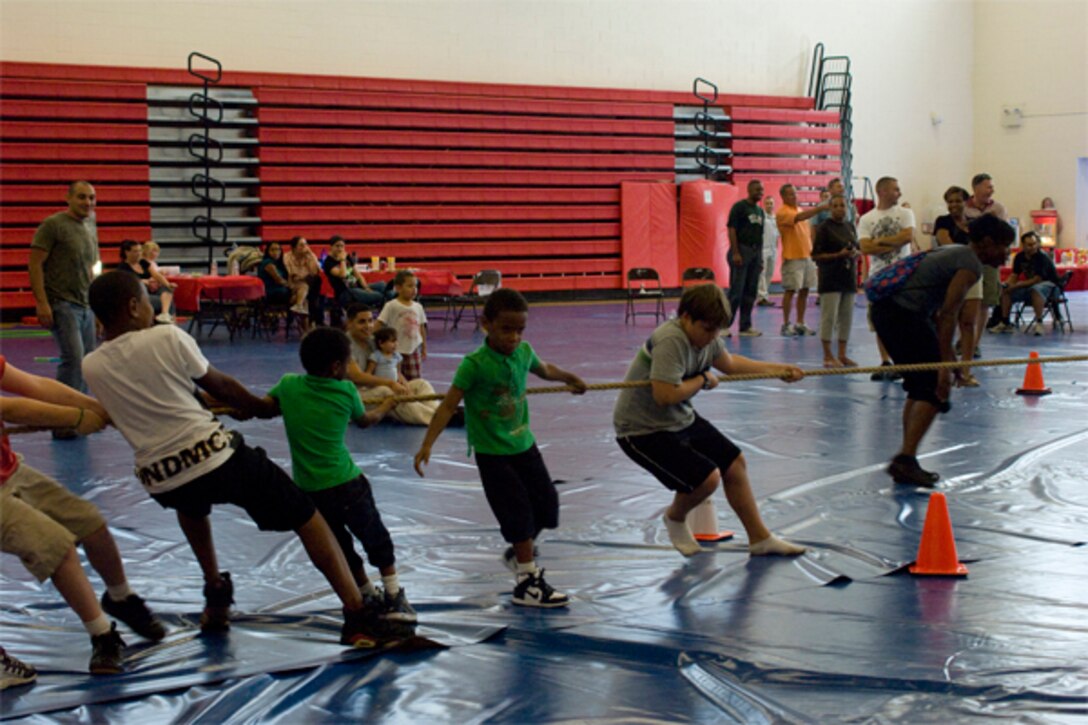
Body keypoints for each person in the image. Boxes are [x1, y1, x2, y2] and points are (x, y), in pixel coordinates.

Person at [82, 271, 378, 647]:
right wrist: (258, 408)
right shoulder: (166, 336)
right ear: (133, 306)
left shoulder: (92, 365)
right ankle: (357, 615)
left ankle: (216, 595)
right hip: (216, 459)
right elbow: (217, 384)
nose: (152, 308)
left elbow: (170, 397)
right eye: (147, 299)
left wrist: (216, 407)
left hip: (162, 478)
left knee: (190, 503)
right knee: (308, 516)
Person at [414, 288, 587, 608]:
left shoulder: (523, 352)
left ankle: (518, 554)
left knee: (547, 505)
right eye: (507, 329)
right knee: (517, 513)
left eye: (520, 330)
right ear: (486, 325)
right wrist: (427, 444)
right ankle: (527, 582)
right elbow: (448, 405)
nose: (514, 337)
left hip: (524, 444)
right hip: (493, 453)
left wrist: (568, 377)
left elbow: (544, 368)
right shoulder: (475, 364)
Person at [612, 284, 807, 558]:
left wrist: (777, 370)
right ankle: (675, 518)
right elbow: (665, 395)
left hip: (679, 418)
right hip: (642, 429)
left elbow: (729, 363)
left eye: (717, 330)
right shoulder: (672, 340)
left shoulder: (709, 334)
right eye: (706, 329)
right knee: (707, 478)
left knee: (735, 463)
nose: (712, 336)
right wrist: (702, 379)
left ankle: (760, 538)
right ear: (686, 317)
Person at [1, 356, 165, 676]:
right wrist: (75, 418)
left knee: (89, 523)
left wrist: (98, 408)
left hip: (9, 470)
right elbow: (8, 409)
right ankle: (103, 636)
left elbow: (34, 385)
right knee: (57, 547)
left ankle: (120, 597)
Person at [263, 328, 416, 629]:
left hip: (311, 492)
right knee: (375, 537)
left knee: (340, 547)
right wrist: (388, 404)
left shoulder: (288, 385)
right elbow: (365, 421)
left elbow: (263, 406)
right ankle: (394, 592)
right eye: (347, 363)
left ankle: (366, 593)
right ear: (336, 367)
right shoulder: (346, 392)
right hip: (348, 485)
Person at [868, 215, 1014, 486]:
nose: (1007, 254)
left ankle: (906, 457)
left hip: (891, 312)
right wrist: (945, 366)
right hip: (901, 314)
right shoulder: (969, 264)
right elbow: (948, 314)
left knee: (920, 385)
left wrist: (949, 358)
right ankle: (906, 459)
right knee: (934, 389)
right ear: (988, 243)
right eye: (1004, 246)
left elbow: (937, 316)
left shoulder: (954, 252)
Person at [28, 181, 101, 437]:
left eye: (92, 198)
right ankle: (63, 421)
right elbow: (35, 264)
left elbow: (94, 267)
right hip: (61, 303)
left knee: (88, 360)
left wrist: (98, 304)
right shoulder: (53, 225)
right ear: (68, 198)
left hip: (85, 304)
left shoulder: (91, 225)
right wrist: (41, 301)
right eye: (82, 197)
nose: (88, 203)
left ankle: (80, 414)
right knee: (73, 359)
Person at [344, 304, 447, 427]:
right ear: (349, 323)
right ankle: (438, 419)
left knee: (420, 384)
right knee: (387, 392)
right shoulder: (344, 345)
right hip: (358, 394)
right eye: (362, 322)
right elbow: (357, 377)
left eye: (370, 321)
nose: (368, 326)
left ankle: (442, 413)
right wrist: (391, 383)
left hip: (376, 388)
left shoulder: (372, 341)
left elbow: (391, 364)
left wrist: (401, 382)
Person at [858, 177, 915, 381]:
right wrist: (893, 243)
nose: (899, 193)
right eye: (895, 189)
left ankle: (904, 361)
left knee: (905, 319)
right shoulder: (866, 219)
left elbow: (907, 237)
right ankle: (885, 361)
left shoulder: (905, 213)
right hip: (879, 276)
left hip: (903, 275)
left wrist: (880, 241)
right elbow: (865, 247)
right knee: (880, 320)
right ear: (882, 192)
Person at [934, 186, 982, 385]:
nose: (954, 205)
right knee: (947, 322)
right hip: (950, 277)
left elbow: (980, 248)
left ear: (966, 202)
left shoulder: (975, 224)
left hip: (972, 275)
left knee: (968, 323)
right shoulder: (942, 222)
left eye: (957, 201)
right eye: (950, 201)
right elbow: (947, 245)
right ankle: (949, 368)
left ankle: (966, 369)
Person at [811, 195, 859, 368]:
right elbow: (815, 255)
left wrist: (854, 253)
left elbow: (857, 247)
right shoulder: (824, 228)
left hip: (848, 277)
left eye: (842, 206)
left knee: (846, 317)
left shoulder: (850, 226)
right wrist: (838, 255)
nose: (840, 208)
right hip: (830, 278)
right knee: (829, 317)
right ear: (830, 208)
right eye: (836, 206)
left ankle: (842, 354)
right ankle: (827, 355)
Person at [776, 184, 829, 336]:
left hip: (807, 256)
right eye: (790, 194)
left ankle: (800, 322)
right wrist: (820, 208)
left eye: (795, 193)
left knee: (805, 290)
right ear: (783, 197)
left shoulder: (799, 209)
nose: (795, 196)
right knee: (790, 290)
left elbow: (806, 231)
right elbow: (799, 218)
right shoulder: (783, 212)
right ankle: (786, 324)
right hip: (793, 257)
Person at [964, 174, 1009, 332]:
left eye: (992, 187)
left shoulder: (998, 208)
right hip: (968, 259)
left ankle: (976, 341)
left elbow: (1004, 235)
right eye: (988, 186)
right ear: (976, 188)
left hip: (989, 261)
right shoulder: (965, 208)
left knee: (985, 300)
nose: (991, 190)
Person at [992, 231, 1060, 335]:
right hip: (1030, 285)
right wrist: (1007, 284)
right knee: (1006, 291)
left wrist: (1018, 285)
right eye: (1029, 245)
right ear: (1023, 245)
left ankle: (1039, 322)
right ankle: (1005, 322)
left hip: (1049, 286)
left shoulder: (1042, 257)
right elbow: (1014, 275)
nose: (1032, 247)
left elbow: (1037, 279)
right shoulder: (1019, 257)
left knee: (1036, 289)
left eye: (1034, 244)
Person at [725, 180, 766, 336]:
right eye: (757, 189)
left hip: (755, 252)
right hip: (742, 250)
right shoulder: (740, 207)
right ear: (749, 190)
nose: (760, 192)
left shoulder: (760, 211)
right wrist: (735, 252)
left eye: (762, 190)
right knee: (736, 290)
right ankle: (724, 325)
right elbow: (732, 229)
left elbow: (760, 235)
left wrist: (760, 258)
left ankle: (745, 326)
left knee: (751, 291)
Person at [375, 270, 428, 379]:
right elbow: (379, 322)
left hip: (413, 349)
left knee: (415, 379)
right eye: (410, 286)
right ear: (398, 288)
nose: (414, 289)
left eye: (415, 286)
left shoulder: (418, 307)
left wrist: (424, 347)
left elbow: (421, 327)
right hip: (396, 350)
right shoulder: (391, 305)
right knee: (395, 378)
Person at [323, 236, 386, 309]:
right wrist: (342, 260)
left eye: (342, 246)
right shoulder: (328, 262)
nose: (340, 249)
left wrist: (366, 287)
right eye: (337, 246)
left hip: (356, 286)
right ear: (331, 247)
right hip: (346, 292)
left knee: (383, 285)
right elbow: (343, 275)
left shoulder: (347, 257)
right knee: (379, 296)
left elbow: (358, 275)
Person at [118, 240, 175, 323]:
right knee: (165, 302)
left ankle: (165, 315)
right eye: (135, 251)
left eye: (140, 251)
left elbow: (156, 275)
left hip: (152, 290)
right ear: (127, 252)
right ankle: (164, 320)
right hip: (139, 294)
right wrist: (143, 281)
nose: (139, 253)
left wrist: (168, 284)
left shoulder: (143, 262)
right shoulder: (123, 267)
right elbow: (128, 284)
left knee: (167, 290)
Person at [284, 236, 323, 327]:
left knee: (316, 284)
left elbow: (316, 271)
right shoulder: (287, 257)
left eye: (306, 244)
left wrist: (311, 254)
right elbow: (291, 274)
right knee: (309, 293)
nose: (305, 247)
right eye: (301, 245)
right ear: (294, 248)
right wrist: (302, 277)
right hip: (293, 284)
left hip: (308, 283)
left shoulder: (308, 256)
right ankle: (310, 322)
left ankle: (301, 307)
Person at [756, 196, 779, 307]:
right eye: (768, 203)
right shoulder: (762, 218)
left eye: (771, 203)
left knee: (770, 272)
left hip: (773, 249)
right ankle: (762, 296)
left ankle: (765, 294)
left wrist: (776, 248)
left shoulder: (775, 218)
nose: (770, 205)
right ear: (764, 205)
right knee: (762, 273)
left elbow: (777, 235)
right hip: (763, 248)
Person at [257, 240, 292, 306]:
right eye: (272, 250)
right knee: (294, 292)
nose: (276, 252)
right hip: (270, 291)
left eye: (278, 250)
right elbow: (279, 280)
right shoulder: (268, 263)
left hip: (278, 288)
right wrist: (291, 285)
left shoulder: (278, 263)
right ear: (267, 251)